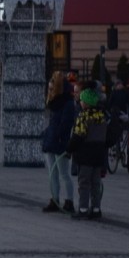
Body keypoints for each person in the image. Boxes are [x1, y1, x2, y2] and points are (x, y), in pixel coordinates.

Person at [67, 88, 109, 219]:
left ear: (85, 103)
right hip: (99, 154)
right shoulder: (102, 116)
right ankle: (96, 209)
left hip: (85, 155)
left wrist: (69, 148)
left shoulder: (83, 116)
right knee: (96, 183)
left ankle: (83, 209)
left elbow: (78, 135)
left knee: (84, 183)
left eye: (81, 100)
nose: (80, 102)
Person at [40, 72, 77, 213]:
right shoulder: (55, 101)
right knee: (52, 173)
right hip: (51, 140)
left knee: (64, 174)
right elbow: (54, 122)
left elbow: (66, 124)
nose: (50, 88)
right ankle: (54, 199)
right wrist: (47, 134)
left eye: (52, 85)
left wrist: (58, 136)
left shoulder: (67, 103)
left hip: (60, 142)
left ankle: (69, 201)